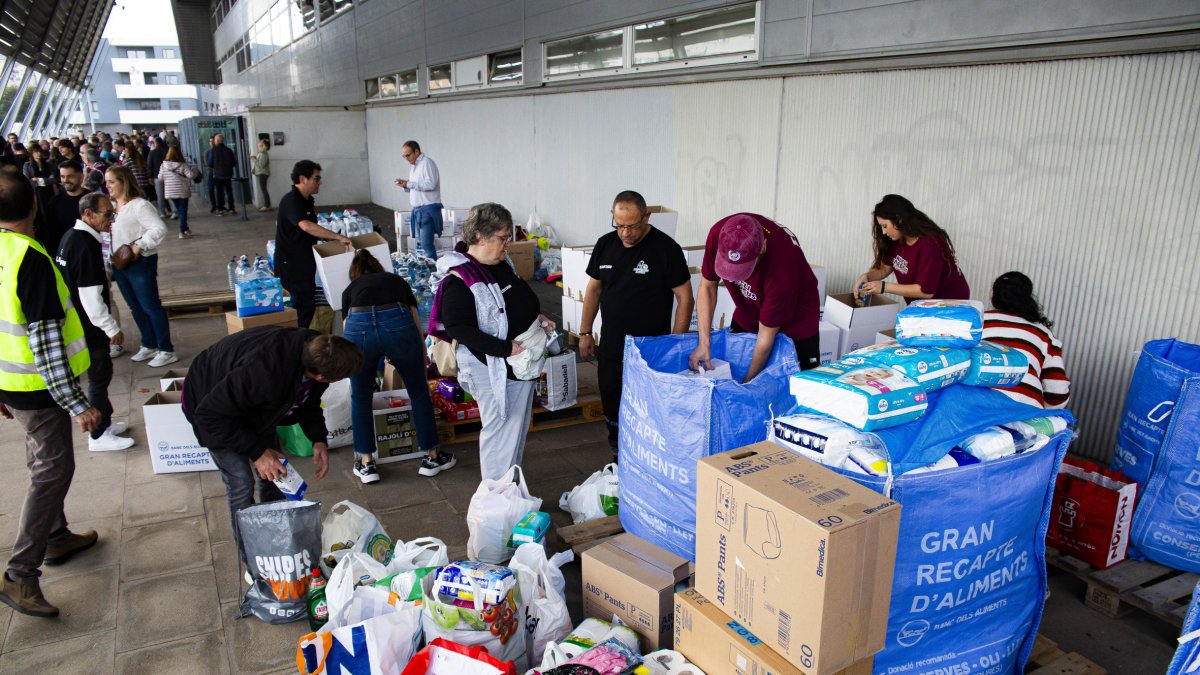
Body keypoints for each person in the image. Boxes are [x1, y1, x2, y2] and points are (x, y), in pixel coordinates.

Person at [0, 172, 102, 618]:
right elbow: (45, 344)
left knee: (43, 462)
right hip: (38, 389)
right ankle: (20, 574)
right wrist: (77, 403)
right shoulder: (30, 258)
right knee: (52, 471)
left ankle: (56, 537)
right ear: (35, 205)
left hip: (12, 382)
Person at [182, 327, 362, 566]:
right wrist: (258, 453)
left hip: (251, 405)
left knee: (276, 474)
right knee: (241, 482)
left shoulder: (319, 350)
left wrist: (318, 438)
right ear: (321, 376)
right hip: (209, 406)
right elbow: (209, 415)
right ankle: (253, 561)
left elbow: (309, 400)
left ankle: (273, 540)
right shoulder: (264, 373)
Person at [429, 203, 554, 480]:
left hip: (516, 362)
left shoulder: (500, 264)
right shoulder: (460, 279)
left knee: (515, 430)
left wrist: (536, 317)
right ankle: (497, 492)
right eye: (503, 238)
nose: (507, 245)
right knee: (500, 433)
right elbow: (458, 328)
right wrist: (505, 348)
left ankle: (509, 487)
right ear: (480, 237)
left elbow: (513, 302)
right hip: (492, 365)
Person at [579, 190, 692, 457]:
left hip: (650, 348)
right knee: (611, 397)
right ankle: (617, 452)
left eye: (633, 226)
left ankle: (648, 456)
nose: (626, 233)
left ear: (647, 217)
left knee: (648, 406)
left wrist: (674, 344)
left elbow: (685, 298)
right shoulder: (605, 245)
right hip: (613, 343)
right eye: (619, 226)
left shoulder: (666, 249)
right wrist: (584, 332)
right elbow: (593, 289)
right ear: (613, 217)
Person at [342, 250, 452, 482]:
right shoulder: (395, 281)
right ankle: (431, 457)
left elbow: (346, 328)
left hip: (358, 326)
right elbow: (414, 317)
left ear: (355, 274)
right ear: (378, 268)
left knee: (360, 396)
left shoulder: (350, 289)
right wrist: (422, 352)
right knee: (418, 391)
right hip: (397, 323)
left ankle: (366, 463)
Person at [689, 213, 822, 381]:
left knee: (799, 385)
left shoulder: (783, 269)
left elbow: (765, 339)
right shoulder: (719, 234)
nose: (734, 277)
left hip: (796, 319)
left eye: (741, 269)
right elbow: (707, 287)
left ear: (763, 247)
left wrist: (747, 384)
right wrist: (704, 342)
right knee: (737, 361)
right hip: (749, 307)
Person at [54, 192, 134, 452]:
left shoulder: (70, 237)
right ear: (88, 214)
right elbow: (90, 297)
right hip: (89, 327)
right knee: (100, 377)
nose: (111, 219)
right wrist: (112, 328)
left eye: (113, 213)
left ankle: (105, 422)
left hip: (78, 324)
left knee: (101, 376)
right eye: (107, 214)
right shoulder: (85, 245)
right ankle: (98, 435)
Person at [106, 165, 177, 368]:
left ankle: (166, 349)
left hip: (140, 262)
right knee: (134, 306)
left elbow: (159, 228)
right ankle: (149, 343)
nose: (108, 185)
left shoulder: (139, 205)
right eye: (107, 182)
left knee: (150, 306)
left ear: (124, 182)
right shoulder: (112, 206)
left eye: (112, 181)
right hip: (119, 263)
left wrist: (139, 245)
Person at [274, 160, 351, 329]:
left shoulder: (306, 201)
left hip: (304, 263)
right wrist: (337, 237)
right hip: (292, 265)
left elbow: (310, 229)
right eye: (316, 178)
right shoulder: (292, 200)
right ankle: (297, 339)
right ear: (303, 179)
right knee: (303, 306)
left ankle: (299, 337)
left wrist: (330, 239)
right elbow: (306, 226)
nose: (320, 182)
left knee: (307, 305)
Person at [856, 194, 969, 304]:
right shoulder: (896, 239)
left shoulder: (930, 244)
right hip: (922, 304)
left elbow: (926, 291)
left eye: (885, 226)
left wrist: (884, 287)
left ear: (899, 220)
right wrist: (866, 277)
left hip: (949, 303)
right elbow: (885, 269)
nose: (884, 232)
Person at [983, 272, 1070, 409]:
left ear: (994, 297)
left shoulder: (977, 322)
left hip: (974, 408)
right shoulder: (1044, 335)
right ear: (1028, 297)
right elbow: (1057, 393)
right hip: (1025, 413)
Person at [394, 140, 444, 260]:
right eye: (404, 156)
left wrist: (409, 184)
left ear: (416, 151)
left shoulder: (427, 163)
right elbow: (417, 187)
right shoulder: (414, 166)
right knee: (423, 243)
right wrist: (405, 185)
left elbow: (430, 184)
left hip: (427, 209)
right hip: (419, 210)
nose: (406, 158)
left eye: (408, 155)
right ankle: (430, 266)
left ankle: (433, 268)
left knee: (426, 244)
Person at [42, 161, 87, 254]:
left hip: (86, 251)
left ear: (81, 177)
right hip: (62, 253)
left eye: (70, 176)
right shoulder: (54, 201)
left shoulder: (92, 199)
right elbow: (50, 231)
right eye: (62, 176)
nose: (65, 180)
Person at [158, 145, 200, 239]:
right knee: (183, 211)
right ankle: (182, 232)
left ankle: (186, 228)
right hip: (182, 191)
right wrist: (195, 169)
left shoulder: (163, 165)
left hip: (170, 192)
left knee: (180, 211)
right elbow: (190, 175)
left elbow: (160, 178)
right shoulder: (182, 164)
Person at [22, 144, 56, 213]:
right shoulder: (27, 165)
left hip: (48, 190)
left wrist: (39, 180)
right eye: (36, 152)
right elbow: (27, 180)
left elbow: (53, 179)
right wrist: (46, 180)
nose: (39, 153)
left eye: (40, 151)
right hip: (36, 191)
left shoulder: (48, 164)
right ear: (32, 153)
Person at [207, 133, 236, 215]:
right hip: (228, 174)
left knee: (219, 192)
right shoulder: (229, 150)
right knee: (229, 191)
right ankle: (231, 208)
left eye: (215, 140)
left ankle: (220, 209)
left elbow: (210, 163)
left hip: (218, 174)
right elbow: (234, 162)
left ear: (217, 141)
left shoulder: (213, 150)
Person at [147, 137, 173, 219]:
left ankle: (162, 212)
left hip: (157, 176)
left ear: (155, 143)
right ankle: (175, 211)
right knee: (171, 194)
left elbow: (149, 165)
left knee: (160, 195)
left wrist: (150, 177)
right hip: (169, 175)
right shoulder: (168, 151)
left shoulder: (152, 152)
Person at [252, 138, 272, 211]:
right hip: (262, 173)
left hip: (262, 173)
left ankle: (267, 205)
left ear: (263, 145)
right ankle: (267, 205)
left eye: (260, 142)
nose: (258, 142)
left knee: (264, 189)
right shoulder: (261, 153)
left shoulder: (263, 154)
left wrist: (254, 159)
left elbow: (261, 165)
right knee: (263, 189)